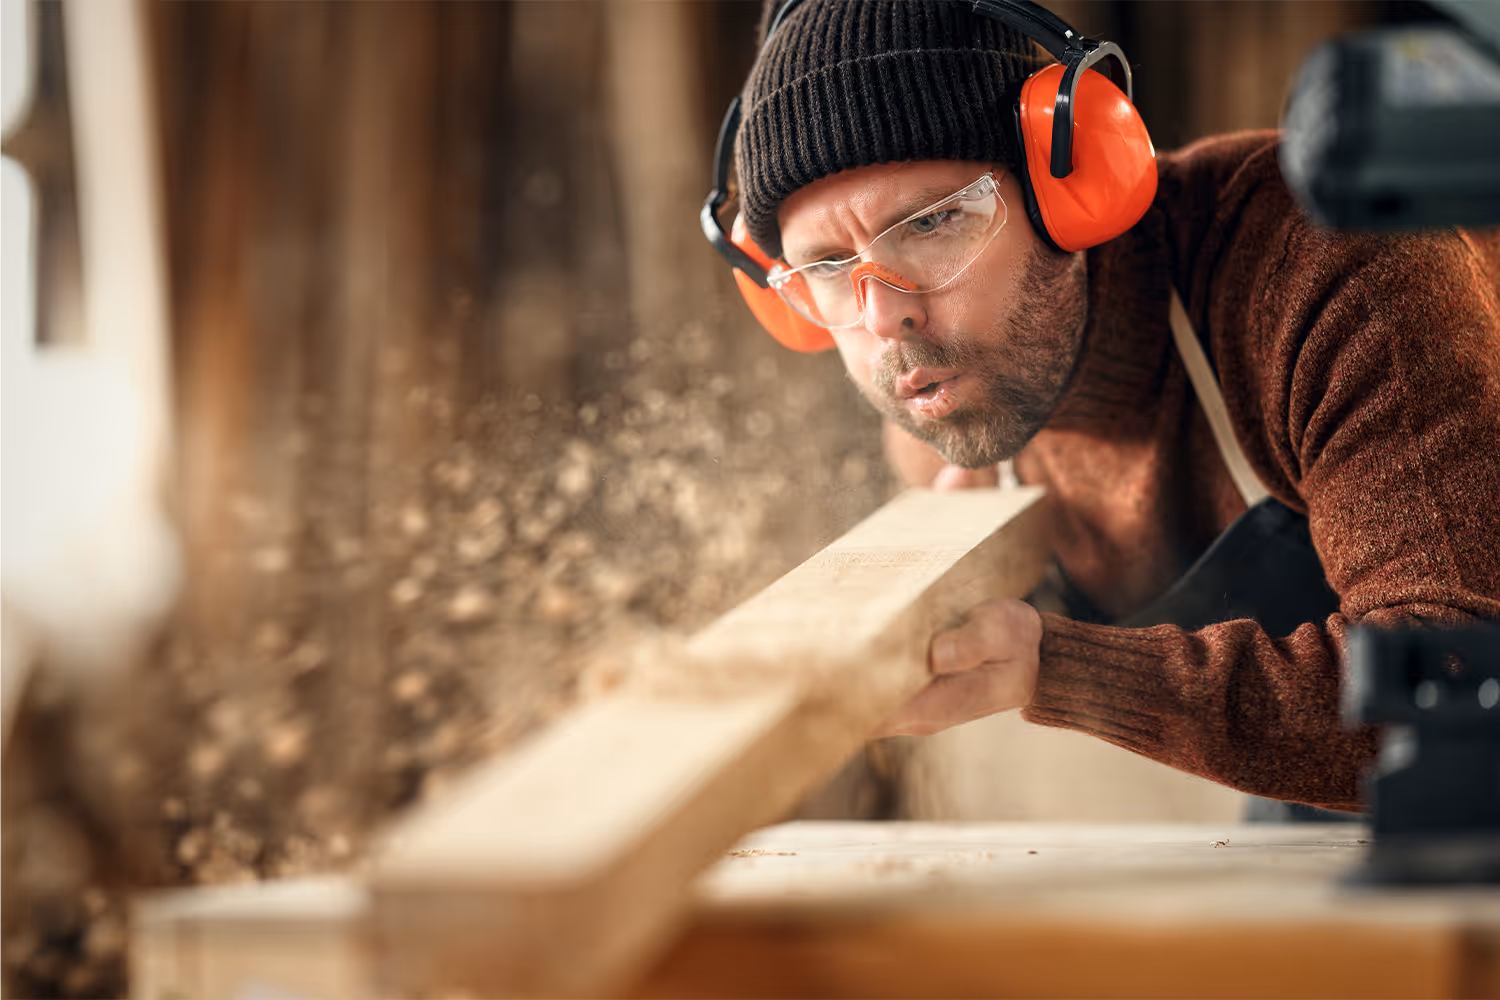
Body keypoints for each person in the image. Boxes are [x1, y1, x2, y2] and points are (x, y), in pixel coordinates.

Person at [702, 0, 1500, 814]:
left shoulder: (1325, 273)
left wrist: (1056, 665)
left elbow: (1458, 690)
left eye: (935, 221)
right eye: (830, 265)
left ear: (1074, 185)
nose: (885, 318)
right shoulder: (941, 394)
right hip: (1338, 793)